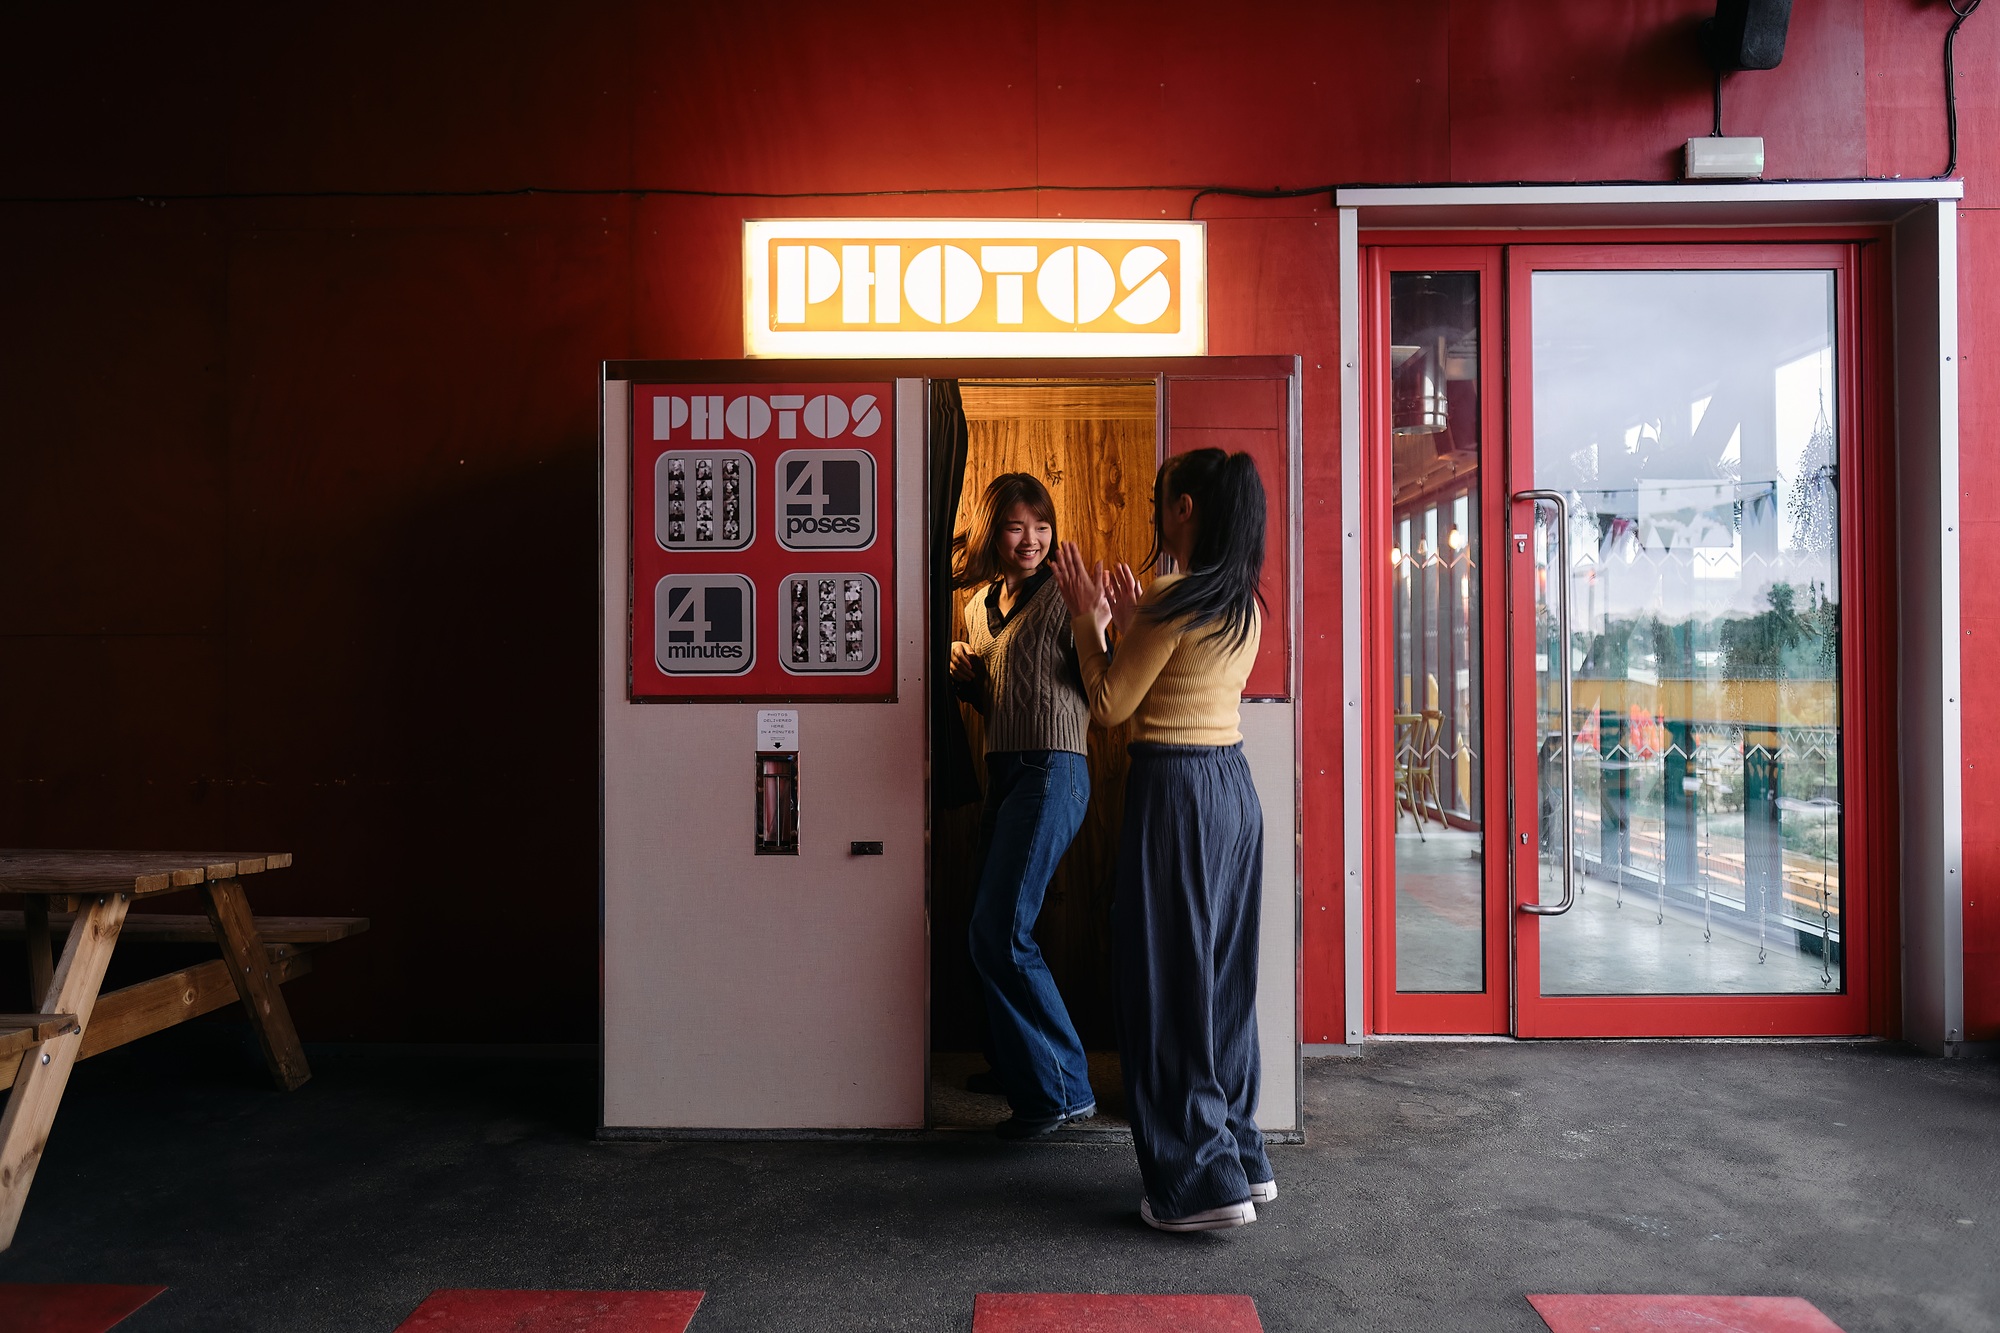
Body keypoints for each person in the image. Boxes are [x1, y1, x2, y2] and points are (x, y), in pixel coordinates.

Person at [1050, 448, 1273, 1233]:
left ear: (1183, 507)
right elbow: (1176, 675)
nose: (1157, 510)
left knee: (1165, 985)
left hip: (1176, 792)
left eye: (1161, 501)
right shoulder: (1240, 600)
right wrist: (1134, 618)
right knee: (1219, 980)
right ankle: (1239, 1155)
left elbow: (1109, 702)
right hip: (1232, 790)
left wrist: (1090, 615)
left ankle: (1197, 1184)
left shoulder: (1173, 599)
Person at [950, 473, 1097, 1139]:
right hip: (1002, 769)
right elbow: (1009, 696)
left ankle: (1063, 1088)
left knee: (1002, 929)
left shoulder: (1069, 594)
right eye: (1016, 525)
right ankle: (1022, 1067)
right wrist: (970, 682)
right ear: (993, 531)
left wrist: (1096, 619)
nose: (1032, 538)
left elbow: (1101, 683)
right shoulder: (976, 607)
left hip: (1053, 768)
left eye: (1041, 524)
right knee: (986, 929)